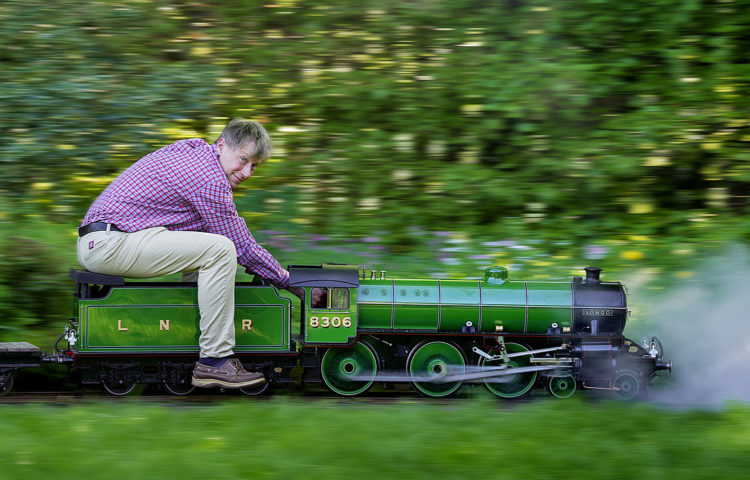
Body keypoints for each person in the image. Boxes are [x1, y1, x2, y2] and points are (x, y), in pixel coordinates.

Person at [76, 118, 289, 389]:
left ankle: (191, 339)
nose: (247, 172)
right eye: (243, 159)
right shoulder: (209, 179)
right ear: (222, 145)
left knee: (208, 244)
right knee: (222, 248)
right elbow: (242, 246)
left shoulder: (195, 152)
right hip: (110, 244)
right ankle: (215, 360)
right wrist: (288, 281)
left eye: (255, 166)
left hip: (104, 239)